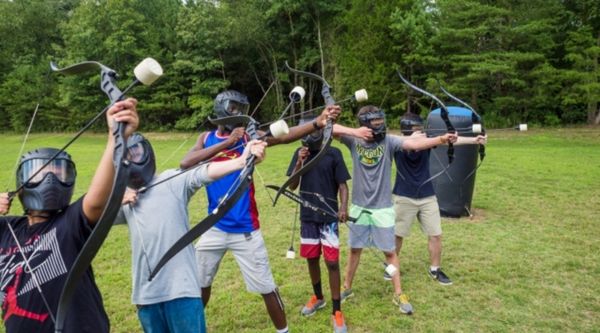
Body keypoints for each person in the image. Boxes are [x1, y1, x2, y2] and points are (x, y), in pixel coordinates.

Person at [179, 90, 341, 333]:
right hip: (214, 225)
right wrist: (228, 143)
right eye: (233, 108)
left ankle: (283, 331)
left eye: (242, 109)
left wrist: (318, 122)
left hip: (245, 228)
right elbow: (186, 163)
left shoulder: (249, 137)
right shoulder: (206, 138)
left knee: (266, 287)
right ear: (222, 109)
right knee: (200, 283)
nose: (239, 114)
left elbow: (284, 136)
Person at [0, 98, 139, 333]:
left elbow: (96, 200)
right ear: (22, 182)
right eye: (40, 174)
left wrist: (116, 138)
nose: (50, 181)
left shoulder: (71, 222)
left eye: (59, 173)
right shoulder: (7, 227)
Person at [115, 133, 267, 333]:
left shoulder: (171, 181)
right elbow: (89, 214)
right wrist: (115, 198)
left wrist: (241, 161)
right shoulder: (125, 199)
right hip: (145, 295)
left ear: (147, 154)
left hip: (182, 291)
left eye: (136, 154)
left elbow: (204, 172)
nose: (131, 160)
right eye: (125, 157)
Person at [332, 105, 457, 315]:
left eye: (382, 122)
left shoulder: (389, 141)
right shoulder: (353, 140)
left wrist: (441, 140)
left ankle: (398, 293)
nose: (380, 127)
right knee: (355, 250)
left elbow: (414, 143)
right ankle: (347, 288)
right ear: (364, 125)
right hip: (359, 206)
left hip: (383, 207)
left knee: (390, 252)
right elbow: (328, 128)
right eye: (375, 124)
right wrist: (355, 132)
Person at [392, 112, 487, 285]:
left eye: (421, 129)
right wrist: (414, 138)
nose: (420, 132)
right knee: (398, 234)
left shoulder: (428, 140)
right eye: (415, 130)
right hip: (404, 195)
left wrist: (474, 141)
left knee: (435, 234)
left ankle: (435, 269)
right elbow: (386, 138)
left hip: (427, 195)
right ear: (406, 131)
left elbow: (452, 140)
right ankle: (390, 266)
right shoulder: (396, 143)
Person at [285, 119, 351, 333]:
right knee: (312, 258)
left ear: (323, 133)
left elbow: (342, 185)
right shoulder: (300, 153)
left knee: (332, 263)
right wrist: (298, 163)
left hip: (329, 217)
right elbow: (292, 185)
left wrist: (343, 207)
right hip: (307, 217)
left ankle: (337, 311)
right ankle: (319, 297)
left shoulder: (333, 153)